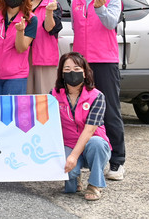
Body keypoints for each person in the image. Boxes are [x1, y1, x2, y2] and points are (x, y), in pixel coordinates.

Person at [71, 0, 125, 181]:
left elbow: (111, 23)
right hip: (82, 64)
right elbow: (75, 29)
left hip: (105, 61)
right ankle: (84, 158)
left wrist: (101, 9)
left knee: (110, 110)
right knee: (81, 110)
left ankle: (118, 161)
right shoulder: (76, 0)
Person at [52, 52, 112, 201]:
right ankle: (75, 177)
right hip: (68, 143)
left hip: (92, 142)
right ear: (61, 74)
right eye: (67, 69)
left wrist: (73, 157)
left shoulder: (97, 96)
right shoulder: (53, 96)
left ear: (85, 73)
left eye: (77, 69)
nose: (72, 73)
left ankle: (95, 184)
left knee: (96, 143)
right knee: (70, 184)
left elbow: (89, 130)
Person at [27, 0, 63, 94]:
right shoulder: (24, 4)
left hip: (44, 58)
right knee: (26, 98)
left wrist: (49, 12)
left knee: (44, 98)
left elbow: (50, 28)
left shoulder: (53, 5)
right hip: (22, 58)